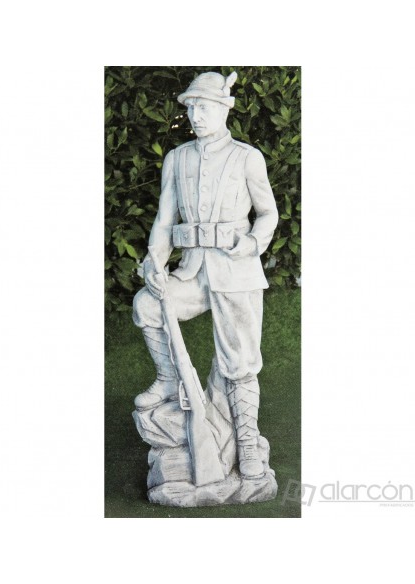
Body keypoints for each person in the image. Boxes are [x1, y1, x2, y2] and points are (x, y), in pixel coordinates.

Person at [132, 71, 279, 478]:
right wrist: (155, 262)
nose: (195, 115)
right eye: (191, 108)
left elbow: (268, 213)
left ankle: (246, 443)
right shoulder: (177, 158)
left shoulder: (247, 157)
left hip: (236, 270)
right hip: (193, 270)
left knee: (240, 361)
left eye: (204, 107)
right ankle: (168, 379)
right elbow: (165, 220)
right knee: (147, 305)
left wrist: (252, 243)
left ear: (224, 109)